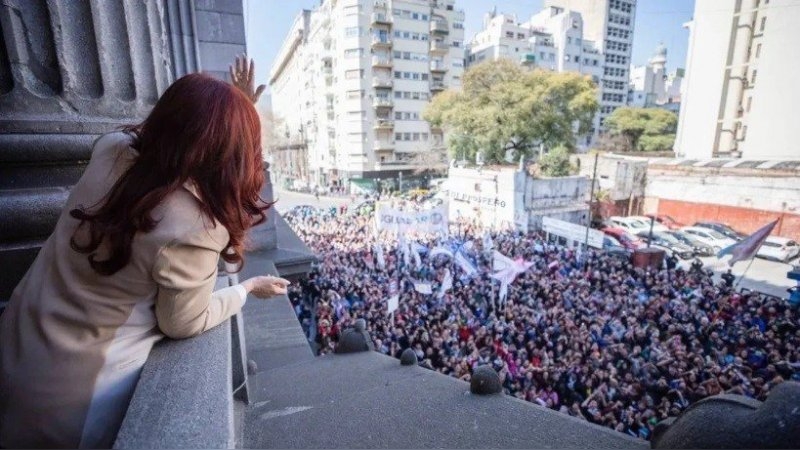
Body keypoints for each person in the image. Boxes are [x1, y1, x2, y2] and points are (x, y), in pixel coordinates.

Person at [0, 57, 289, 449]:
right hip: (76, 402)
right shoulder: (196, 228)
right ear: (233, 152)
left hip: (17, 347)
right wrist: (248, 287)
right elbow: (184, 323)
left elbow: (188, 143)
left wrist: (235, 109)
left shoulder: (112, 150)